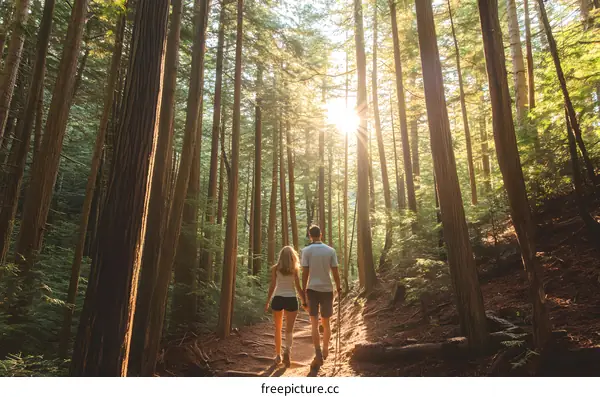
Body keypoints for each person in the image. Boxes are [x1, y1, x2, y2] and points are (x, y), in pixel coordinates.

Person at [301, 225, 341, 368]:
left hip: (312, 289)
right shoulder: (330, 251)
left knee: (314, 322)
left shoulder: (306, 251)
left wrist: (303, 290)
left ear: (310, 235)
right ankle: (325, 349)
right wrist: (339, 286)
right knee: (326, 322)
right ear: (321, 234)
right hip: (327, 289)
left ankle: (317, 352)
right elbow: (335, 271)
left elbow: (305, 273)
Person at [265, 246, 306, 367]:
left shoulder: (275, 269)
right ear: (292, 256)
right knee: (289, 329)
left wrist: (267, 301)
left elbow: (272, 286)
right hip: (291, 299)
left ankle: (278, 355)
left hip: (278, 299)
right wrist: (304, 301)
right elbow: (298, 287)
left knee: (278, 328)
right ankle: (287, 351)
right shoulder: (295, 269)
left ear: (281, 256)